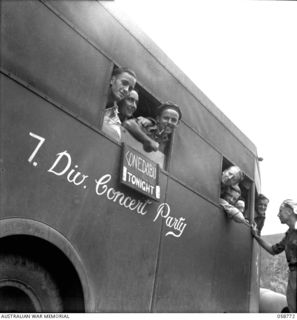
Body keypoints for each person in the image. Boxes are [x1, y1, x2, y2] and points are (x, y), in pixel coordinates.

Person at [251, 199, 297, 313]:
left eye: (280, 211)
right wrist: (256, 236)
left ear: (289, 211)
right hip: (293, 274)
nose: (278, 215)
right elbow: (273, 250)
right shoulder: (289, 234)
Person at [102, 67, 137, 140]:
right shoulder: (93, 92)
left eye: (130, 88)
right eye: (124, 83)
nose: (126, 90)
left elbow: (115, 135)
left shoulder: (114, 116)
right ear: (112, 80)